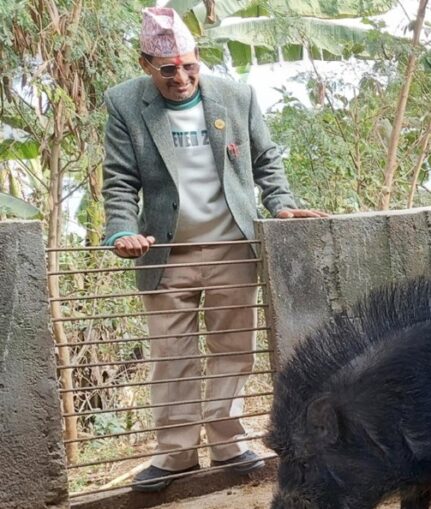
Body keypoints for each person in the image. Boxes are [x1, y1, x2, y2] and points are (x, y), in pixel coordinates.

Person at [100, 7, 327, 492]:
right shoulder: (123, 103)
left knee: (233, 351)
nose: (181, 78)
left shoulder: (236, 95)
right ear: (146, 65)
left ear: (197, 59)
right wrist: (122, 232)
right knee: (171, 355)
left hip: (230, 246)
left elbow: (267, 160)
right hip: (165, 252)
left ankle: (228, 444)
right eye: (168, 70)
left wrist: (282, 204)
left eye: (189, 66)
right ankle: (176, 454)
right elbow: (119, 182)